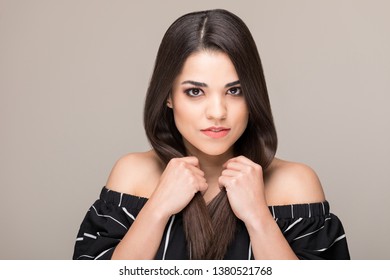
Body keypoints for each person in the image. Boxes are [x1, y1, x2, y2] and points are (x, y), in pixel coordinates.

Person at [73, 9, 350, 260]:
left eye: (234, 91)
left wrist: (258, 218)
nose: (217, 112)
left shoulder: (295, 185)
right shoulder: (132, 175)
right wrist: (157, 209)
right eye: (195, 92)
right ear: (168, 96)